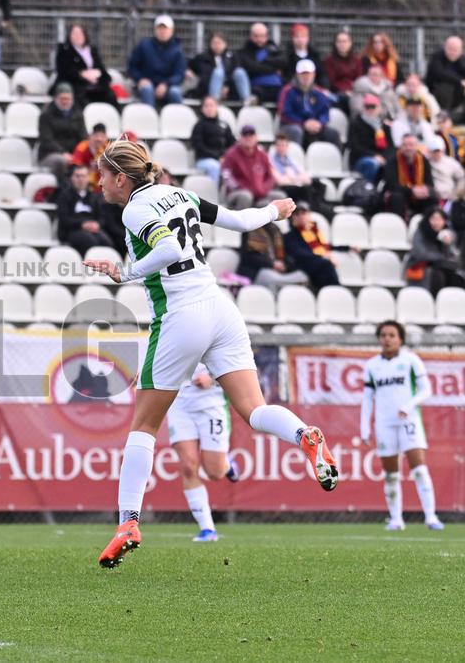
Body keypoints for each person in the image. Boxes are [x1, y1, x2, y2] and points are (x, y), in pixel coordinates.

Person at [82, 139, 337, 568]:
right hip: (222, 309)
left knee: (143, 424)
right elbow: (238, 220)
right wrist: (275, 211)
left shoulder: (134, 208)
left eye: (103, 175)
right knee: (254, 410)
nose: (99, 182)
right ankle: (304, 436)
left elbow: (166, 249)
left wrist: (124, 273)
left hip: (182, 312)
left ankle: (127, 522)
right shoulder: (180, 193)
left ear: (121, 178)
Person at [361, 320, 444, 531]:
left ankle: (431, 517)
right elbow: (368, 398)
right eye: (383, 335)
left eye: (392, 335)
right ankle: (396, 519)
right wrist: (364, 427)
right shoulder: (372, 365)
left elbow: (426, 390)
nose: (387, 339)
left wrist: (408, 406)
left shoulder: (411, 361)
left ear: (400, 339)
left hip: (408, 421)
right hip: (384, 424)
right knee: (391, 474)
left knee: (419, 469)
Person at [166, 364, 240, 543]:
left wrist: (213, 378)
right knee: (188, 466)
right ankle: (207, 529)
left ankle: (227, 464)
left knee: (215, 472)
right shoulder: (165, 334)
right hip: (179, 404)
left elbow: (240, 367)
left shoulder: (217, 335)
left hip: (211, 403)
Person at [278, 60, 342, 148]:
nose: (306, 77)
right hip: (291, 126)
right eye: (303, 74)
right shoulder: (287, 91)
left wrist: (319, 123)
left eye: (308, 74)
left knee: (333, 134)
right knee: (297, 131)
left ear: (314, 74)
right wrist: (304, 123)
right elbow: (285, 113)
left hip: (314, 126)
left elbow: (325, 112)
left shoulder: (319, 92)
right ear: (297, 75)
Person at [221, 124, 285, 210]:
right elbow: (226, 176)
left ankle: (272, 223)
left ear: (256, 138)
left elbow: (270, 177)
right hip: (237, 193)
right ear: (240, 138)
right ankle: (240, 222)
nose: (248, 138)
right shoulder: (231, 154)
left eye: (251, 135)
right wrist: (243, 188)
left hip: (260, 193)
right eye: (245, 135)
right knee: (246, 196)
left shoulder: (262, 154)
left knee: (280, 196)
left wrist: (263, 189)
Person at [237, 217, 308, 294]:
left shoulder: (275, 229)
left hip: (278, 272)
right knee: (268, 275)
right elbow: (249, 257)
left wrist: (285, 265)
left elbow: (286, 255)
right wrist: (272, 264)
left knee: (302, 275)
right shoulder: (250, 229)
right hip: (257, 272)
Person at [127, 15, 185, 108]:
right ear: (155, 30)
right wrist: (140, 79)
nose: (162, 31)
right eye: (159, 28)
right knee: (147, 89)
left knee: (175, 93)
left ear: (171, 30)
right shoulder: (143, 46)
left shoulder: (177, 51)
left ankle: (177, 120)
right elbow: (132, 67)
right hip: (147, 84)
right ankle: (150, 120)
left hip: (168, 86)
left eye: (165, 28)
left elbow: (179, 74)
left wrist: (166, 84)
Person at [51, 24, 116, 107]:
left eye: (80, 33)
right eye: (74, 34)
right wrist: (82, 74)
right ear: (69, 36)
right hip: (74, 84)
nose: (78, 36)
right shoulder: (64, 50)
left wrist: (97, 75)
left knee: (109, 95)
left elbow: (101, 68)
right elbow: (64, 70)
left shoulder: (92, 50)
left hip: (94, 84)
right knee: (81, 96)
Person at [56, 165, 113, 256]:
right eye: (77, 176)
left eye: (84, 176)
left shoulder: (93, 196)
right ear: (71, 178)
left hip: (92, 229)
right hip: (72, 230)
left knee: (106, 242)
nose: (81, 179)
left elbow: (102, 216)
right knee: (90, 241)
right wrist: (82, 224)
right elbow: (64, 218)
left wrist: (97, 224)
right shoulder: (64, 196)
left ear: (88, 178)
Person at [283, 202, 340, 292]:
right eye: (297, 214)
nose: (301, 216)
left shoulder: (314, 232)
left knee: (325, 266)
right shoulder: (289, 236)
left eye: (303, 213)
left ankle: (332, 292)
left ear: (309, 215)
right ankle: (336, 291)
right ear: (293, 217)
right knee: (326, 264)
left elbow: (326, 246)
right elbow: (298, 253)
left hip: (316, 264)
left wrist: (347, 247)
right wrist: (321, 256)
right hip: (302, 265)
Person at [404, 208, 464, 294]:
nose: (437, 222)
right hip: (421, 267)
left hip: (442, 266)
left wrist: (449, 245)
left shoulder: (446, 234)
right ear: (428, 219)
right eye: (434, 219)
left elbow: (453, 256)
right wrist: (440, 258)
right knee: (438, 276)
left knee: (457, 278)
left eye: (440, 219)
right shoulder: (421, 232)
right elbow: (420, 253)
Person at [36, 83, 87, 182]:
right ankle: (63, 187)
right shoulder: (46, 115)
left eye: (67, 99)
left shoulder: (78, 114)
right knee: (61, 161)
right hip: (50, 154)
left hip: (73, 153)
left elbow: (83, 137)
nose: (65, 102)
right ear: (55, 99)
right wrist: (63, 153)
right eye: (62, 98)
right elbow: (46, 140)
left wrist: (79, 154)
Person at [385, 134, 437, 219]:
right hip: (401, 193)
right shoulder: (393, 160)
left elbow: (430, 183)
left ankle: (428, 225)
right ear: (400, 147)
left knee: (432, 196)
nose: (408, 148)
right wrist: (411, 190)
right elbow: (391, 184)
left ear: (417, 146)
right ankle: (400, 225)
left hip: (418, 194)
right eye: (405, 145)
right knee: (397, 197)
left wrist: (425, 189)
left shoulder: (423, 160)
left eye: (411, 145)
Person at [188, 32, 250, 102]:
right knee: (218, 72)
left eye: (219, 43)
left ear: (225, 44)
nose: (216, 46)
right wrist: (188, 70)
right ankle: (214, 101)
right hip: (208, 89)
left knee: (240, 72)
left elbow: (233, 73)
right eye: (214, 43)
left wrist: (227, 86)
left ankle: (247, 100)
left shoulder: (233, 57)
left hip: (231, 90)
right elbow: (189, 64)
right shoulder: (202, 58)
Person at [348, 93, 395, 182]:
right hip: (361, 159)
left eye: (373, 107)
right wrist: (374, 156)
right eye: (367, 107)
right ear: (363, 108)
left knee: (395, 163)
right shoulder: (355, 123)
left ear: (379, 108)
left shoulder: (384, 126)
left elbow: (391, 147)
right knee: (372, 163)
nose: (370, 110)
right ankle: (368, 189)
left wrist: (385, 158)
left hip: (382, 158)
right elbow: (354, 146)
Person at [238, 22, 287, 104]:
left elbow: (283, 61)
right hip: (257, 87)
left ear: (267, 36)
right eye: (256, 36)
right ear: (250, 36)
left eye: (262, 36)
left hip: (277, 87)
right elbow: (253, 67)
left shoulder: (273, 48)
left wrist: (265, 61)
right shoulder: (244, 52)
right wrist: (274, 68)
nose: (259, 39)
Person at [190, 96, 235, 184]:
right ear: (202, 109)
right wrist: (218, 157)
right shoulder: (199, 126)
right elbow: (199, 147)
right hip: (204, 160)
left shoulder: (224, 125)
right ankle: (213, 194)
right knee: (214, 166)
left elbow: (233, 144)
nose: (209, 108)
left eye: (212, 105)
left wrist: (227, 157)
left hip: (224, 159)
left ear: (216, 107)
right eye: (206, 106)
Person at [269, 132, 314, 204]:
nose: (281, 148)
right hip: (284, 188)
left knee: (317, 184)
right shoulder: (271, 161)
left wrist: (292, 178)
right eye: (279, 145)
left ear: (287, 146)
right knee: (304, 190)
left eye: (283, 145)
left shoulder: (292, 160)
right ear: (275, 146)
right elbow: (280, 181)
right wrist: (296, 178)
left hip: (296, 186)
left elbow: (308, 179)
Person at [425, 35, 465, 116]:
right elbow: (439, 73)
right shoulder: (437, 56)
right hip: (436, 91)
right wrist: (460, 81)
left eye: (455, 50)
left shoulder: (462, 59)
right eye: (450, 49)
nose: (452, 52)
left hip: (457, 93)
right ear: (445, 47)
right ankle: (444, 115)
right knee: (446, 86)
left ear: (461, 50)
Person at [324, 30, 360, 112]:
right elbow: (331, 81)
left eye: (345, 41)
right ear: (335, 44)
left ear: (350, 43)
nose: (342, 44)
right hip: (336, 94)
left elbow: (359, 79)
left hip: (354, 93)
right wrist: (345, 91)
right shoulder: (329, 61)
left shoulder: (357, 61)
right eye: (339, 41)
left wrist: (352, 91)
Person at [286, 24, 327, 88]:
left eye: (302, 36)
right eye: (297, 36)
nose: (300, 39)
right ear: (292, 38)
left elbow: (321, 75)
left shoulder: (314, 55)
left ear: (307, 38)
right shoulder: (287, 56)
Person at [71, 123, 110, 191]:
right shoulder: (82, 147)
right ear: (90, 136)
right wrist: (89, 169)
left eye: (102, 136)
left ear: (106, 138)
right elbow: (75, 166)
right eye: (96, 135)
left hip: (103, 183)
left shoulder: (108, 148)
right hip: (86, 182)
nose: (99, 139)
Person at [427, 136, 465, 200]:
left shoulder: (451, 162)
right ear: (429, 151)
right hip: (431, 198)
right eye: (433, 151)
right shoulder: (424, 163)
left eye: (438, 150)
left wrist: (456, 193)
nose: (436, 153)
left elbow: (462, 178)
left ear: (443, 150)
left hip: (450, 198)